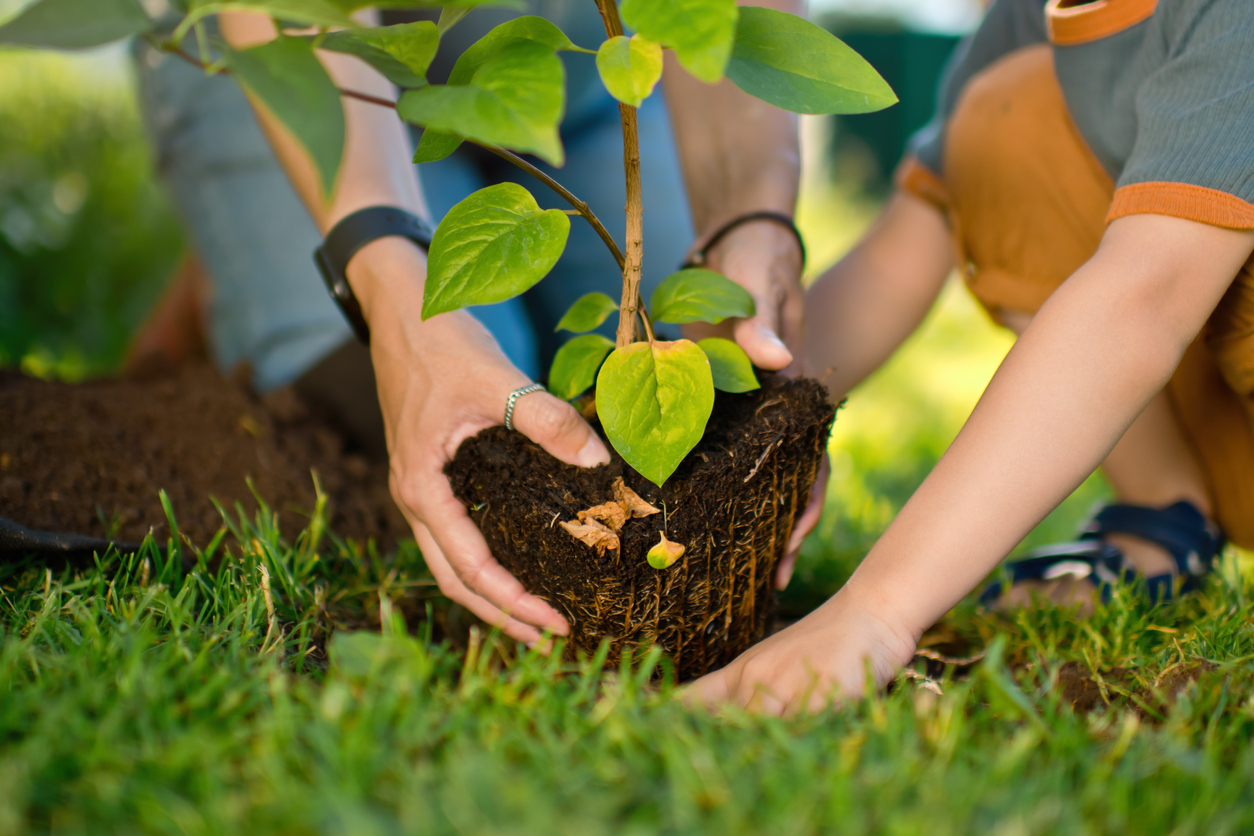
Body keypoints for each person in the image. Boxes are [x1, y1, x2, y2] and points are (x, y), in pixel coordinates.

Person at [133, 1, 815, 647]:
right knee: (445, 422)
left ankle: (335, 224)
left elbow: (724, 21)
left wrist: (753, 220)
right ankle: (259, 229)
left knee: (680, 346)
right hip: (306, 50)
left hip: (587, 82)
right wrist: (386, 279)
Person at [690, 0, 1254, 713]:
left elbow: (1143, 300)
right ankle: (1162, 521)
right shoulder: (1033, 16)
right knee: (999, 121)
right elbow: (902, 254)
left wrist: (874, 612)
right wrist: (729, 424)